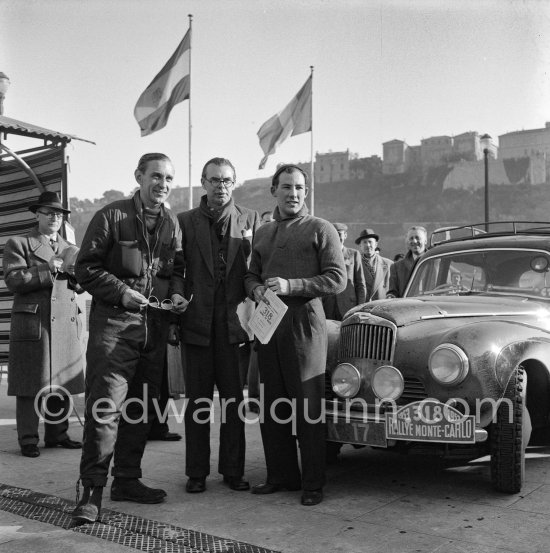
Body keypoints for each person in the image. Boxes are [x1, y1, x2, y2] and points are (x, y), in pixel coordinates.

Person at [71, 153, 187, 525]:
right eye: (156, 176)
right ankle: (90, 492)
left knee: (140, 409)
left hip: (151, 328)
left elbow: (178, 269)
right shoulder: (112, 216)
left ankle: (127, 480)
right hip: (114, 328)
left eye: (169, 179)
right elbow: (85, 268)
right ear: (138, 176)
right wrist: (120, 291)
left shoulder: (172, 224)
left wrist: (179, 294)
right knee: (105, 410)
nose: (162, 185)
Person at [244, 164, 346, 507]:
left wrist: (293, 285)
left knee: (308, 409)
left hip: (305, 329)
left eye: (300, 188)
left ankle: (313, 483)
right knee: (273, 407)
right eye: (286, 186)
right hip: (268, 329)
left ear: (306, 193)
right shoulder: (264, 233)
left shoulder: (321, 228)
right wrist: (256, 288)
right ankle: (281, 476)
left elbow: (336, 279)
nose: (293, 194)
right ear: (274, 190)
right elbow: (250, 275)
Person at [177, 157, 260, 494]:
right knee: (197, 402)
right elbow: (176, 270)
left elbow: (258, 267)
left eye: (226, 180)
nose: (220, 186)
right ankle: (196, 472)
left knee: (233, 403)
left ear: (234, 183)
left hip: (235, 327)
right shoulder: (184, 221)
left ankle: (232, 470)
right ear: (203, 182)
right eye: (214, 180)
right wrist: (178, 302)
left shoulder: (250, 218)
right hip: (196, 324)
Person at [2, 192, 84, 458]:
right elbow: (14, 280)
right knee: (30, 383)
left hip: (63, 319)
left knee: (61, 380)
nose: (54, 217)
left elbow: (80, 284)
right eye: (48, 212)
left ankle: (57, 434)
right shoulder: (20, 243)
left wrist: (76, 277)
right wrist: (46, 269)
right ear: (36, 214)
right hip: (34, 320)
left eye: (58, 214)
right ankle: (27, 438)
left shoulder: (70, 247)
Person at [322, 223, 366, 319]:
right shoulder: (324, 254)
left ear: (345, 235)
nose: (337, 237)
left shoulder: (354, 254)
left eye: (339, 234)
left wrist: (360, 307)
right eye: (334, 234)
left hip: (349, 306)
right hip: (328, 306)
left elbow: (360, 284)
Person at [387, 226, 428, 298]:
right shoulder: (396, 267)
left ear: (425, 241)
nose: (414, 241)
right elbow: (393, 292)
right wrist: (390, 296)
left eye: (417, 238)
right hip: (407, 307)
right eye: (411, 238)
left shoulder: (437, 262)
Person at [355, 228, 393, 301]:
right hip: (362, 305)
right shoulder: (355, 264)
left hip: (382, 305)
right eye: (364, 242)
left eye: (370, 242)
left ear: (376, 244)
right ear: (360, 245)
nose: (368, 245)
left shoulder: (389, 264)